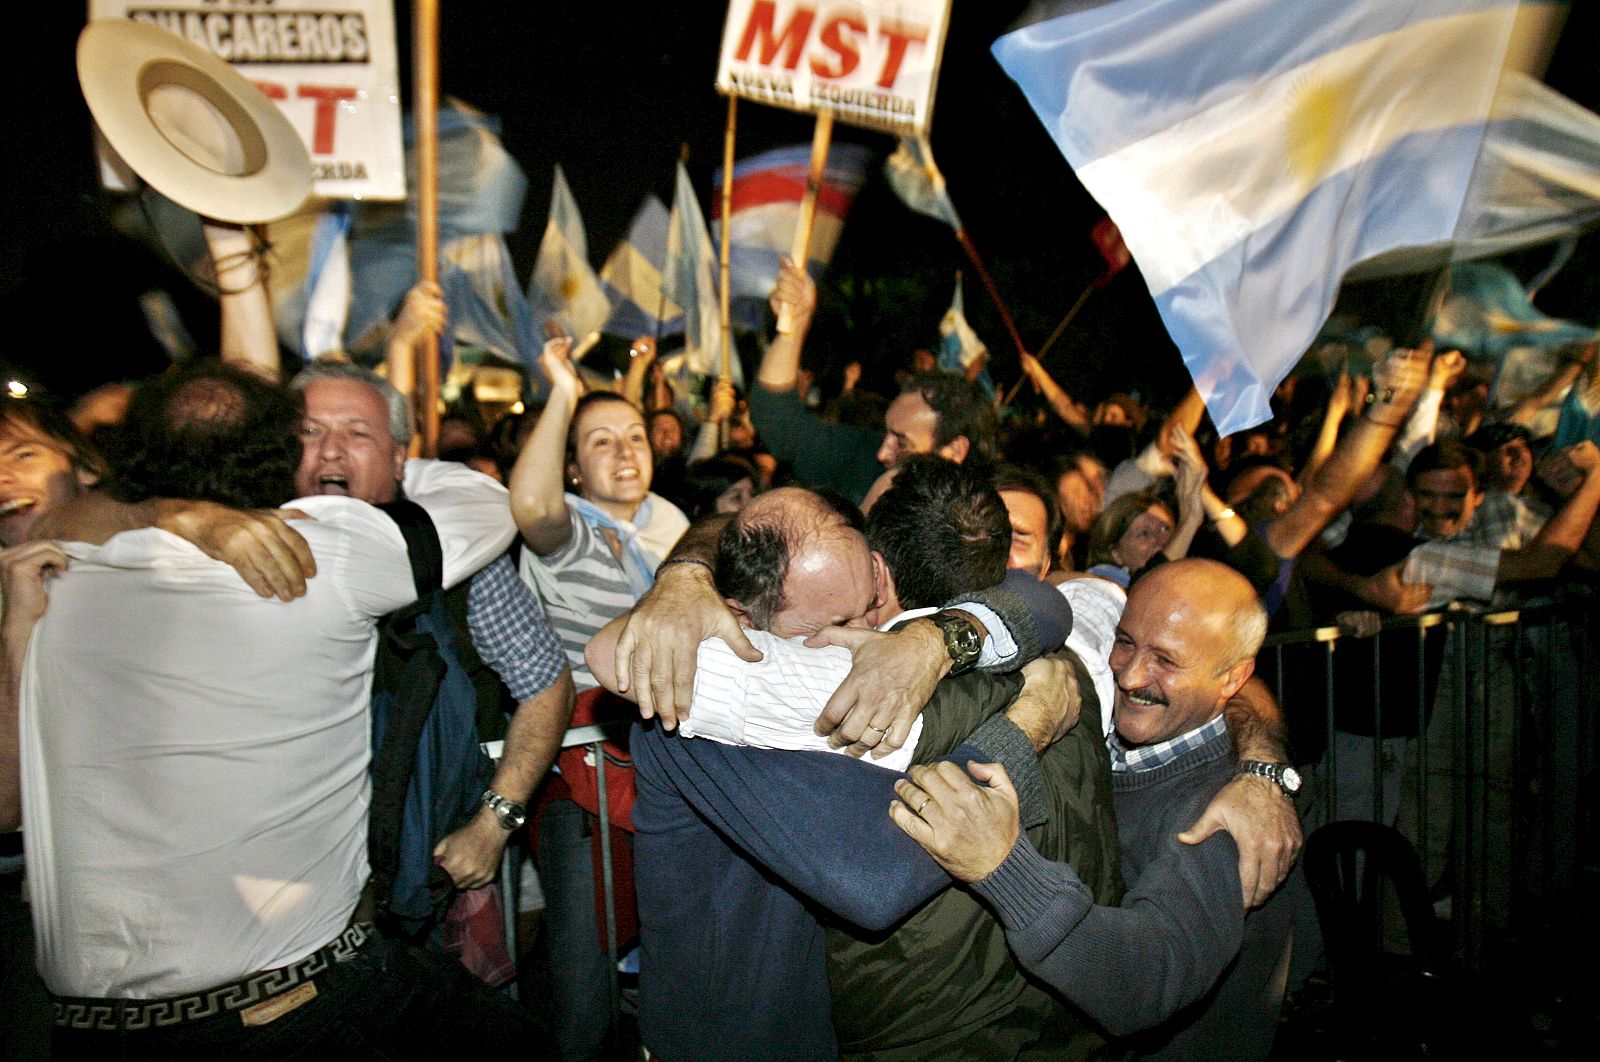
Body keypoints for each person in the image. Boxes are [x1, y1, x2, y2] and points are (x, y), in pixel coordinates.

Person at [2, 360, 535, 1057]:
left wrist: (154, 513)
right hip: (292, 1008)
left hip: (91, 1032)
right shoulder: (322, 552)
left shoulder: (45, 586)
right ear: (283, 461)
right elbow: (488, 501)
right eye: (309, 436)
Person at [586, 478, 1098, 1060]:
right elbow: (875, 882)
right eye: (827, 631)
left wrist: (934, 640)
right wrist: (1023, 728)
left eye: (871, 607)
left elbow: (1039, 598)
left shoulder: (873, 635)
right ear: (739, 622)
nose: (869, 643)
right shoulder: (693, 708)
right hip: (735, 1037)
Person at [892, 559, 1295, 1061]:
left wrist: (1002, 866)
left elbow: (1150, 981)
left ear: (1232, 678)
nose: (1129, 675)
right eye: (1125, 642)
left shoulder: (1222, 817)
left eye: (1166, 661)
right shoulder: (1127, 733)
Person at [289, 360, 575, 898]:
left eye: (357, 434)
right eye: (310, 431)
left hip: (424, 849)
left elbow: (546, 684)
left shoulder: (457, 554)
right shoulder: (234, 556)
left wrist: (494, 824)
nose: (330, 451)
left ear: (399, 458)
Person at [507, 335, 689, 1060]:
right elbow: (530, 503)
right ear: (573, 467)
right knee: (583, 986)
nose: (625, 453)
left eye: (636, 437)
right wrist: (561, 391)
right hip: (587, 781)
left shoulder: (677, 532)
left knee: (668, 969)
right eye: (600, 442)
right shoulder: (569, 531)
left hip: (672, 774)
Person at [747, 258, 995, 503]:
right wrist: (795, 326)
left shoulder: (987, 520)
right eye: (885, 432)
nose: (882, 452)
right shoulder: (862, 460)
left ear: (955, 451)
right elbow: (776, 417)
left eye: (901, 442)